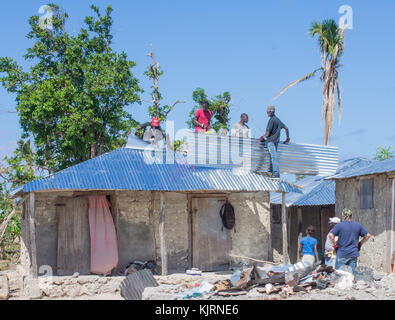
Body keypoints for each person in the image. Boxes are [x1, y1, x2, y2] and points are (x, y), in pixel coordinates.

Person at [328, 208, 371, 275]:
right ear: (351, 216)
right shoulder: (358, 225)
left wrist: (334, 245)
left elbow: (331, 235)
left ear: (343, 216)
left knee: (339, 274)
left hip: (342, 253)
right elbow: (367, 235)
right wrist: (360, 244)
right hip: (353, 253)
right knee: (352, 275)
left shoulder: (339, 225)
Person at [258, 105, 290, 178]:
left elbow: (268, 133)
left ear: (272, 112)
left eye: (268, 111)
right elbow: (286, 128)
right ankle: (271, 172)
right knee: (271, 156)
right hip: (276, 142)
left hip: (271, 142)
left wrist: (262, 137)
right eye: (267, 111)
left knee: (273, 157)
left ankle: (275, 173)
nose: (267, 113)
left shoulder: (271, 120)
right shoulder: (278, 120)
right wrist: (288, 138)